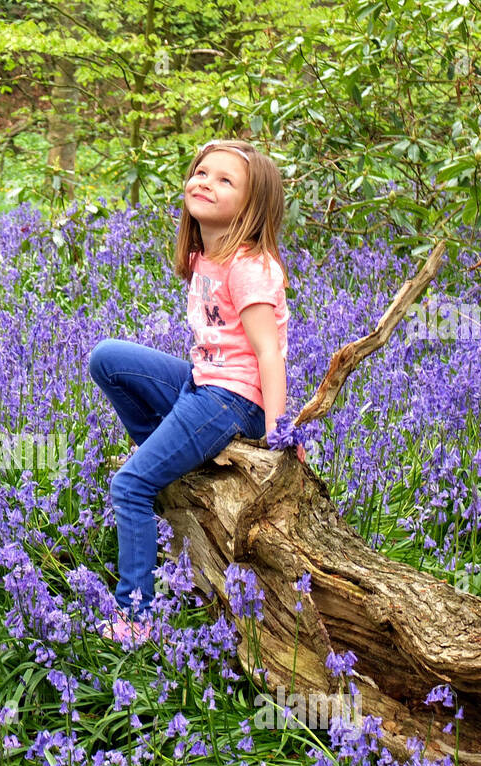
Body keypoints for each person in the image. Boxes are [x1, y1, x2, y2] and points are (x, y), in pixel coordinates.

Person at [88, 138, 301, 645]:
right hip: (201, 383)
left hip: (233, 402)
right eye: (202, 172)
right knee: (107, 359)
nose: (205, 182)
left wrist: (277, 433)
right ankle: (169, 452)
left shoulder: (249, 267)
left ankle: (135, 619)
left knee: (130, 487)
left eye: (225, 180)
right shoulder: (207, 254)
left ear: (251, 207)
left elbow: (269, 353)